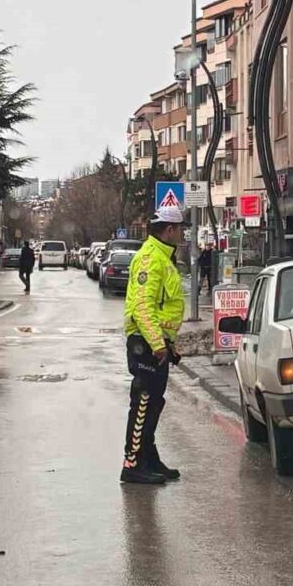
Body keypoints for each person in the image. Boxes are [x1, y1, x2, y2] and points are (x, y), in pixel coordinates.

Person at [120, 205, 186, 485]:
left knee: (154, 403)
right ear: (169, 229)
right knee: (144, 403)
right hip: (146, 345)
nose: (182, 234)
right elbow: (143, 307)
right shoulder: (150, 259)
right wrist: (158, 344)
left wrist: (168, 345)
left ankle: (149, 457)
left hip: (155, 344)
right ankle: (132, 463)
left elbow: (163, 307)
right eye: (180, 229)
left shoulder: (162, 256)